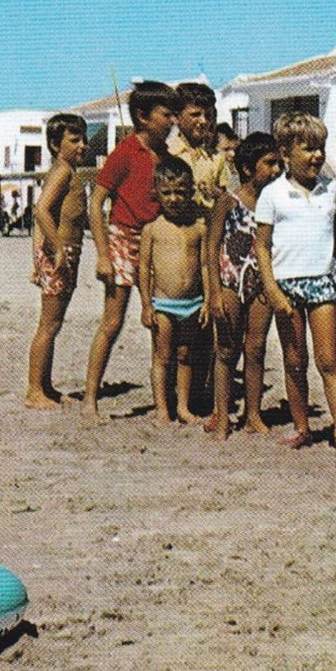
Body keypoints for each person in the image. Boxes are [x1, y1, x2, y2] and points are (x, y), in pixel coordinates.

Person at [254, 111, 336, 455]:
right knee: (294, 359)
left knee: (329, 359)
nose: (316, 156)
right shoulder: (272, 194)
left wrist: (331, 264)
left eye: (320, 148)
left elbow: (335, 233)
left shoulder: (331, 190)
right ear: (286, 153)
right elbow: (262, 246)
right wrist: (271, 289)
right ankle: (302, 427)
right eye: (307, 149)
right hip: (285, 287)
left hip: (321, 284)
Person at [81, 81, 180, 417]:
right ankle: (90, 400)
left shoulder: (167, 157)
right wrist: (103, 254)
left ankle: (163, 404)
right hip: (123, 237)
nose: (172, 121)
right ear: (143, 116)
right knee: (112, 322)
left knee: (159, 319)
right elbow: (96, 203)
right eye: (166, 115)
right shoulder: (124, 152)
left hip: (157, 241)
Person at [204, 130, 282, 439]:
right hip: (229, 279)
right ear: (248, 168)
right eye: (269, 163)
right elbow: (210, 247)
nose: (276, 170)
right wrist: (213, 292)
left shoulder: (276, 203)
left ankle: (253, 414)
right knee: (225, 349)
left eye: (279, 164)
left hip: (262, 281)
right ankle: (222, 414)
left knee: (257, 347)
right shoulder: (229, 201)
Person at [138, 156, 211, 425]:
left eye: (180, 192)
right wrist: (146, 305)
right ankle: (161, 408)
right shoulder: (152, 229)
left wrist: (207, 300)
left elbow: (205, 265)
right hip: (164, 304)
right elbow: (144, 269)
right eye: (167, 192)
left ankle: (183, 406)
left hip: (192, 303)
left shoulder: (199, 228)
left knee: (185, 355)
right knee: (162, 356)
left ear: (190, 192)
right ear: (156, 193)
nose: (174, 198)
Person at [26, 114, 88, 410]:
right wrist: (56, 248)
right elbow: (41, 211)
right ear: (55, 144)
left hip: (66, 252)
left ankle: (45, 385)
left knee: (55, 323)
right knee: (48, 324)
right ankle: (33, 390)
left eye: (83, 139)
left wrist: (37, 255)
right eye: (74, 140)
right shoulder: (62, 171)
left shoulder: (68, 171)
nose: (83, 146)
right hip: (60, 254)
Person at [166, 83, 228, 217]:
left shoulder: (217, 158)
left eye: (207, 115)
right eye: (195, 114)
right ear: (176, 117)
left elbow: (223, 201)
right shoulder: (166, 153)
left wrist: (214, 192)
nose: (204, 121)